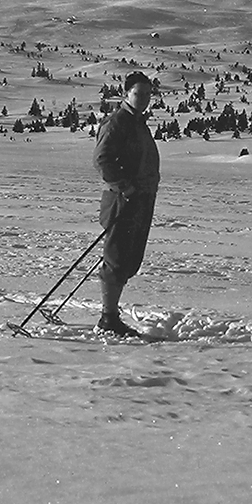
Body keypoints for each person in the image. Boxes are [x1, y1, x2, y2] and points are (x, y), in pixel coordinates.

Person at [93, 71, 161, 337]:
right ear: (126, 94)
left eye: (147, 95)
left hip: (140, 199)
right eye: (138, 94)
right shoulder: (118, 122)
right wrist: (126, 186)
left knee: (129, 259)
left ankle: (111, 314)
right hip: (123, 200)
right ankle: (108, 317)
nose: (143, 99)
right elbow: (102, 160)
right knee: (117, 258)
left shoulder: (136, 122)